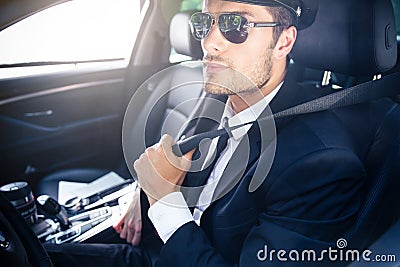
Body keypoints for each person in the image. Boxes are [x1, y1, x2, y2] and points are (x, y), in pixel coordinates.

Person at [45, 0, 400, 266]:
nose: (210, 43)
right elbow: (176, 165)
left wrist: (162, 204)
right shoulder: (219, 94)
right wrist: (142, 193)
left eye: (235, 26)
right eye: (205, 23)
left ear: (284, 42)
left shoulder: (320, 162)